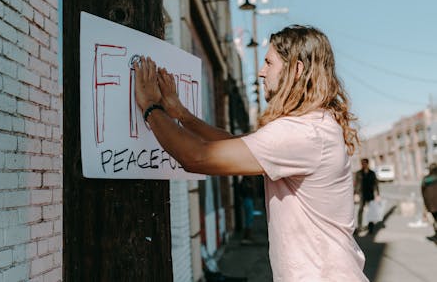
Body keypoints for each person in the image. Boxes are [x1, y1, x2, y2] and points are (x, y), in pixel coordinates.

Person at [134, 25, 368, 281]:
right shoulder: (313, 126)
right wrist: (183, 116)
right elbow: (239, 144)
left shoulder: (302, 132)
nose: (261, 72)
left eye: (269, 63)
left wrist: (149, 106)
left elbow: (196, 157)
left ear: (297, 70)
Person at [354, 158, 380, 234]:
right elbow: (356, 184)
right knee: (360, 210)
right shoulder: (358, 173)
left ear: (367, 164)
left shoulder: (372, 173)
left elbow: (376, 184)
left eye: (365, 163)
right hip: (362, 194)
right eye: (362, 163)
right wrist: (355, 194)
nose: (363, 165)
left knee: (371, 210)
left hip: (370, 193)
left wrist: (378, 194)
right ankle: (359, 226)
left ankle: (370, 227)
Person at [422, 163, 437, 242]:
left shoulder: (425, 179)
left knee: (434, 221)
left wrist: (425, 206)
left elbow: (423, 193)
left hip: (431, 205)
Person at [239, 176, 255, 244]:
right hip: (247, 200)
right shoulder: (246, 183)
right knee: (249, 218)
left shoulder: (245, 183)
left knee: (249, 218)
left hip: (248, 200)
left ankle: (248, 235)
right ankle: (247, 235)